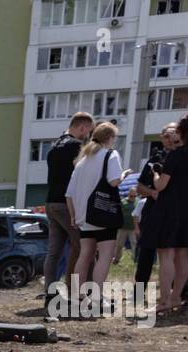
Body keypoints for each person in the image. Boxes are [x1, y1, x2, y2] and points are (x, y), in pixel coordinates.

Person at [151, 114, 188, 315]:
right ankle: (176, 297)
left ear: (180, 132)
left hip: (169, 209)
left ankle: (164, 299)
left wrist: (155, 173)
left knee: (166, 254)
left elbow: (161, 185)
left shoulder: (175, 155)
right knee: (183, 255)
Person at [65, 122, 127, 298]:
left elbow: (69, 194)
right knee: (105, 255)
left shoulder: (82, 160)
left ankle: (77, 295)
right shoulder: (110, 155)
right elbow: (114, 181)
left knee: (84, 256)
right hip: (103, 214)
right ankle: (96, 296)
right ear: (110, 138)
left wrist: (73, 216)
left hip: (84, 217)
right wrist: (124, 175)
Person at [44, 113, 94, 307]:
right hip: (67, 203)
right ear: (82, 128)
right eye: (88, 132)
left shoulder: (54, 146)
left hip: (51, 203)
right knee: (81, 247)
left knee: (54, 251)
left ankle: (50, 291)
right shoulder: (75, 146)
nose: (87, 136)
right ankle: (75, 291)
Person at [134, 127, 180, 286]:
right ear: (161, 138)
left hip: (174, 212)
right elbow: (139, 187)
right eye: (166, 136)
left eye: (174, 135)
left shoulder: (184, 156)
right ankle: (139, 292)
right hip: (152, 211)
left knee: (172, 253)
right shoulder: (154, 159)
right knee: (146, 251)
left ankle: (172, 293)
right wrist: (152, 192)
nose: (169, 139)